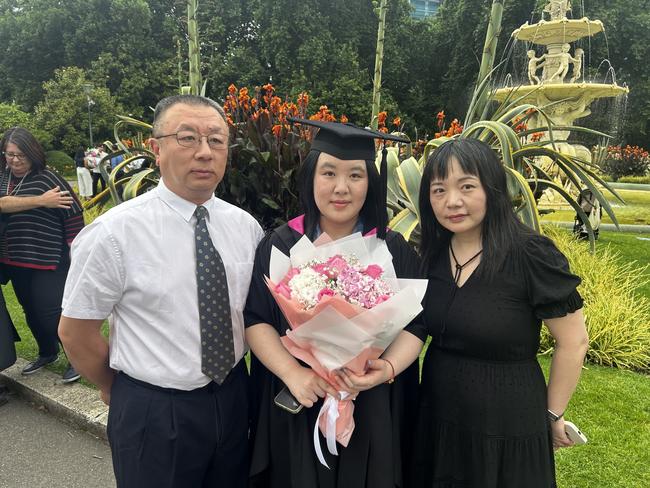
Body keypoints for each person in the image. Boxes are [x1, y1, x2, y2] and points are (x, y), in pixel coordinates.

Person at [341, 138, 589, 487]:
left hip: (507, 424)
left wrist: (552, 413)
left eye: (467, 187)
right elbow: (419, 326)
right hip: (438, 416)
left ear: (492, 189)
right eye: (438, 190)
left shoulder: (530, 254)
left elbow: (574, 341)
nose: (452, 202)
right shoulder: (432, 255)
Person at [58, 94, 264, 488]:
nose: (204, 152)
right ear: (156, 149)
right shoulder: (114, 234)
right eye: (187, 138)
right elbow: (75, 332)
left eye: (216, 140)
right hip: (153, 410)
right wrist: (113, 387)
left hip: (235, 395)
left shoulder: (246, 228)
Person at [244, 118, 424, 488]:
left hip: (371, 402)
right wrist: (293, 373)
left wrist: (385, 369)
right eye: (329, 173)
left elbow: (417, 325)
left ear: (370, 182)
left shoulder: (393, 250)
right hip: (300, 398)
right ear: (311, 178)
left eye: (355, 175)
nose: (341, 188)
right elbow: (256, 319)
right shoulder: (281, 244)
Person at [0, 127, 84, 383]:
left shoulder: (48, 178)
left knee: (50, 310)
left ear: (33, 153)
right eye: (9, 154)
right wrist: (40, 201)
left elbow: (73, 215)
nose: (14, 160)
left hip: (49, 259)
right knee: (30, 311)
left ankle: (79, 359)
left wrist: (76, 252)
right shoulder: (3, 178)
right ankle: (48, 352)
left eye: (21, 155)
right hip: (14, 259)